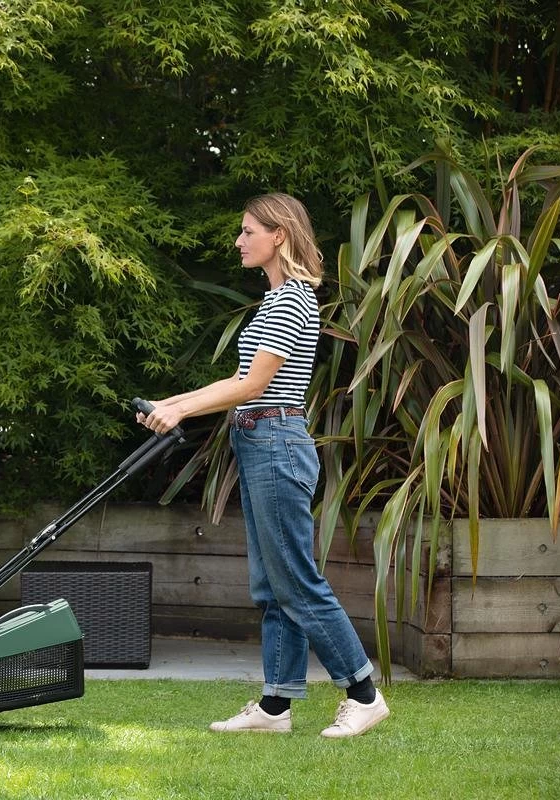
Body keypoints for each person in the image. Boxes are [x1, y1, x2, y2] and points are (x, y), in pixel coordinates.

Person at [137, 193, 390, 738]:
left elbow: (252, 385)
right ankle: (276, 707)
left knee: (296, 579)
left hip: (276, 442)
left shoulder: (292, 300)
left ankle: (364, 694)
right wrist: (169, 404)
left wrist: (180, 409)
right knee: (272, 584)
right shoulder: (275, 300)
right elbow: (240, 381)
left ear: (279, 235)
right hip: (259, 441)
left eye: (248, 231)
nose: (239, 241)